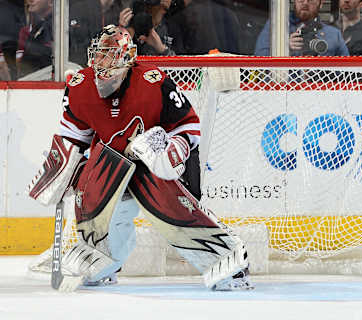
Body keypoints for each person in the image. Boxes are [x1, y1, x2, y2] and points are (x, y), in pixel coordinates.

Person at [28, 24, 252, 292]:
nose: (102, 66)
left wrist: (171, 152)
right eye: (99, 55)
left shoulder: (153, 82)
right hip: (116, 163)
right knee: (93, 188)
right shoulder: (79, 86)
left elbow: (189, 127)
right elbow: (74, 136)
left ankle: (228, 259)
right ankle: (103, 260)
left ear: (128, 58)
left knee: (169, 205)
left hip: (157, 159)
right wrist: (61, 167)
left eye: (110, 56)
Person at [255, 0, 349, 56]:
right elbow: (258, 58)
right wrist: (285, 48)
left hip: (320, 88)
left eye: (311, 0)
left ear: (321, 3)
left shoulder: (333, 34)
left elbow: (347, 72)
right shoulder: (277, 26)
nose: (305, 3)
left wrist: (326, 65)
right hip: (285, 87)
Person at [69, 0, 125, 66]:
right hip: (81, 65)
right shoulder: (80, 8)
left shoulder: (117, 9)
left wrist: (121, 27)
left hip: (107, 65)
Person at [119, 0, 183, 55]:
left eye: (163, 8)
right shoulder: (130, 22)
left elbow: (182, 65)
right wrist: (121, 34)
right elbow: (113, 61)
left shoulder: (171, 28)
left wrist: (162, 49)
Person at [16, 0, 53, 79]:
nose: (30, 1)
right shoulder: (39, 25)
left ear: (51, 2)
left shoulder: (57, 26)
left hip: (47, 83)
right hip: (34, 82)